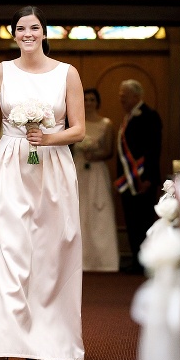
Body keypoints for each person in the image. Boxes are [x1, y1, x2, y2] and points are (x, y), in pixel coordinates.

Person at [0, 5, 86, 360]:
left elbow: (79, 129)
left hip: (53, 165)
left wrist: (48, 136)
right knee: (11, 251)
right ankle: (15, 342)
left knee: (52, 253)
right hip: (11, 164)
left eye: (35, 27)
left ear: (44, 33)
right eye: (21, 28)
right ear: (14, 34)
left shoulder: (67, 73)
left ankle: (54, 340)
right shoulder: (1, 72)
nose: (28, 34)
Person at [115, 79, 162, 275]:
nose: (121, 98)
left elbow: (153, 149)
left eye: (124, 94)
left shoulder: (150, 116)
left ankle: (144, 262)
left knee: (144, 222)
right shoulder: (128, 117)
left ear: (136, 96)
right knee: (132, 222)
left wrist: (148, 178)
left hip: (143, 180)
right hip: (129, 181)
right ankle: (136, 259)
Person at [73, 88, 120, 271]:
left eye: (92, 99)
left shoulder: (106, 124)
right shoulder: (76, 123)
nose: (89, 102)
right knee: (79, 208)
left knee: (98, 210)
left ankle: (103, 260)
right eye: (85, 99)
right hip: (78, 169)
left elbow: (109, 150)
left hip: (97, 171)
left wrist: (94, 153)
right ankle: (79, 260)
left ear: (97, 102)